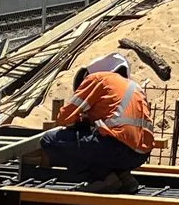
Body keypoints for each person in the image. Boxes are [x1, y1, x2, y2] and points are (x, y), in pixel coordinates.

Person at [37, 50, 155, 193]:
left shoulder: (98, 79)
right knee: (95, 142)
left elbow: (64, 118)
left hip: (114, 148)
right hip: (139, 155)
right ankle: (123, 177)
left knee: (50, 141)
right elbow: (119, 121)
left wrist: (79, 123)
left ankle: (103, 178)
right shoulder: (134, 86)